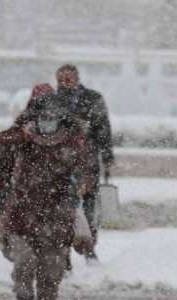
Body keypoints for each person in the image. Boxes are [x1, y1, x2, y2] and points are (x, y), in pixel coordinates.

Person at [0, 93, 93, 300]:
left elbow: (87, 172)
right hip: (23, 217)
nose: (47, 122)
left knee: (51, 272)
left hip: (57, 219)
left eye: (52, 117)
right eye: (43, 117)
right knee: (24, 266)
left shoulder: (73, 142)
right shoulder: (22, 139)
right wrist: (21, 134)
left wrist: (80, 185)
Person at [0, 83, 54, 259]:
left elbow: (76, 150)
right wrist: (21, 137)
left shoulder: (62, 124)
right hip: (23, 185)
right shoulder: (25, 121)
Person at [56, 64, 113, 262]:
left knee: (89, 206)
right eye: (61, 79)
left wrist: (107, 158)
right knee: (63, 208)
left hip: (87, 162)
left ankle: (89, 247)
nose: (66, 82)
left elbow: (103, 130)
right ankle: (65, 252)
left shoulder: (93, 98)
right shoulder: (52, 102)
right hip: (61, 163)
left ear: (77, 78)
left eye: (69, 78)